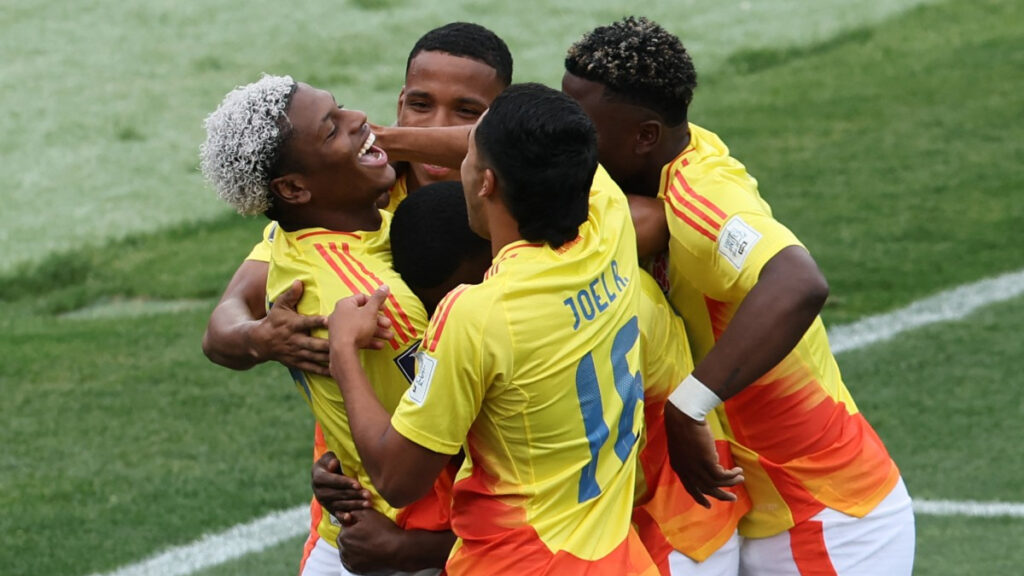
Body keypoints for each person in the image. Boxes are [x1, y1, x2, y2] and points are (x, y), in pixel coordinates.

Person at [562, 16, 915, 575]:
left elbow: (798, 282)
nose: (566, 141)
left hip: (824, 519)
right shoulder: (655, 161)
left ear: (645, 136)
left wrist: (688, 407)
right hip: (757, 512)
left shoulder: (700, 197)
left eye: (580, 128)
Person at [326, 83, 658, 575]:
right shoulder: (607, 221)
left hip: (517, 563)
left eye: (468, 152)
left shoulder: (479, 313)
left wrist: (343, 352)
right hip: (618, 558)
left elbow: (397, 479)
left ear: (486, 182)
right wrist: (384, 140)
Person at [199, 74, 454, 576]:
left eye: (341, 108)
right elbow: (442, 445)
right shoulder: (369, 303)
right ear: (294, 188)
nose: (358, 118)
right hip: (416, 537)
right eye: (332, 128)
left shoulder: (294, 238)